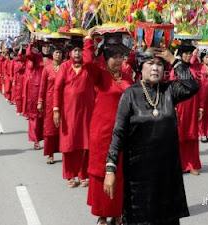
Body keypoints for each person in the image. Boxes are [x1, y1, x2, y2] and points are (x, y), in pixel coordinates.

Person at [104, 46, 199, 225]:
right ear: (141, 67)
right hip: (138, 175)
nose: (155, 68)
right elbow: (119, 134)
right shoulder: (130, 94)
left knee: (167, 219)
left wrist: (174, 61)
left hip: (167, 172)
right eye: (150, 63)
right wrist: (111, 169)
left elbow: (192, 86)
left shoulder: (169, 91)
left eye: (160, 64)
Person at [85, 34, 134, 225]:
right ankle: (102, 215)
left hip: (124, 133)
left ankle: (118, 213)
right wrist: (89, 40)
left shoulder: (128, 77)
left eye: (120, 56)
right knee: (102, 173)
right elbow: (88, 62)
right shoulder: (100, 76)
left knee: (121, 172)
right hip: (103, 133)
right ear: (106, 58)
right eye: (113, 56)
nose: (118, 60)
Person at [53, 37, 96, 188]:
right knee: (69, 144)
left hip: (87, 113)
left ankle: (83, 174)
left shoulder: (88, 67)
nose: (77, 54)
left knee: (86, 144)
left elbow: (90, 60)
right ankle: (70, 175)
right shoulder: (64, 67)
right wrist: (56, 110)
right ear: (70, 52)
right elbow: (57, 89)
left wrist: (88, 42)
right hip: (69, 113)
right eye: (75, 50)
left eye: (80, 50)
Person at [171, 43, 202, 175]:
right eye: (186, 53)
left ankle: (192, 164)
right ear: (180, 54)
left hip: (193, 106)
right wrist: (172, 107)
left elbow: (200, 89)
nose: (188, 56)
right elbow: (171, 89)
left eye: (190, 53)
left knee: (192, 136)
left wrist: (201, 107)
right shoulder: (176, 70)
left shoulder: (195, 69)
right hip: (181, 106)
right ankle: (179, 164)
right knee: (180, 135)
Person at [38, 45, 64, 164]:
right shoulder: (47, 69)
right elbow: (42, 87)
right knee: (50, 128)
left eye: (60, 53)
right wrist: (40, 101)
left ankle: (65, 151)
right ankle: (50, 154)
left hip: (63, 101)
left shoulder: (65, 67)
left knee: (63, 128)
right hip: (50, 101)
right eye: (56, 52)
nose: (58, 55)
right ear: (52, 55)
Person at [25, 39, 51, 150]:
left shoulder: (53, 58)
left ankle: (47, 138)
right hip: (35, 90)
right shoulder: (36, 57)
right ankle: (35, 140)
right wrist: (31, 43)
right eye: (44, 46)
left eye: (48, 46)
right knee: (35, 116)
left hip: (48, 90)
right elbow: (28, 54)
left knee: (46, 116)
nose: (46, 48)